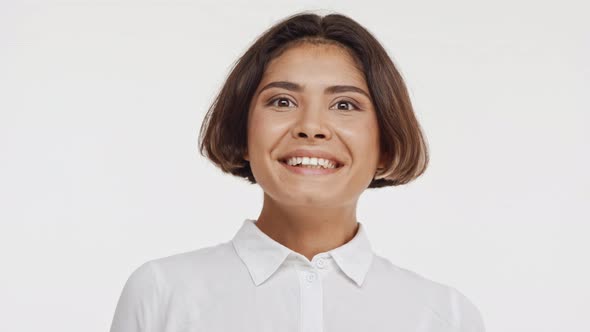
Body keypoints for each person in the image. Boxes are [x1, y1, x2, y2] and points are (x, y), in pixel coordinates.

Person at [109, 11, 486, 332]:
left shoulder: (444, 317)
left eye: (344, 104)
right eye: (282, 101)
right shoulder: (162, 294)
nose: (311, 126)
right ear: (242, 133)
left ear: (385, 145)